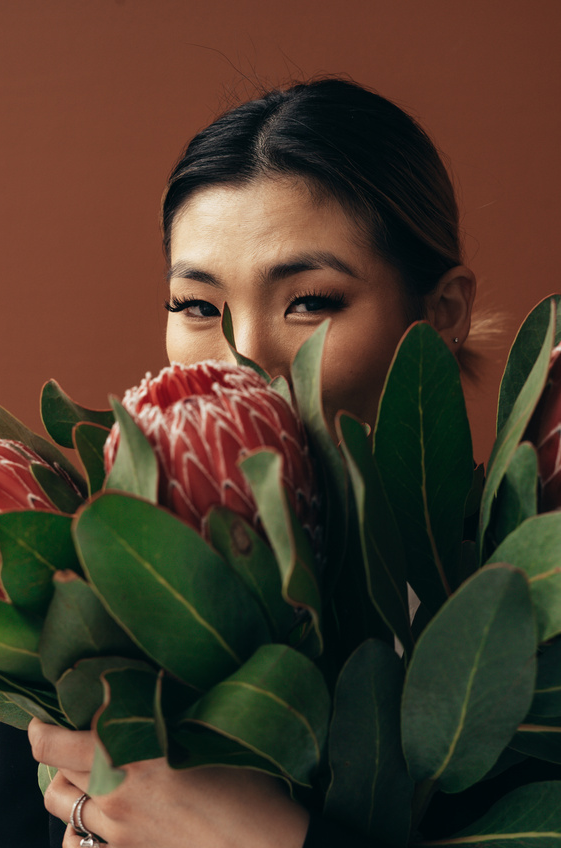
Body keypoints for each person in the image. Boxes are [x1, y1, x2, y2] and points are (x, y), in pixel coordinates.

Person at [24, 77, 478, 847]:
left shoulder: (523, 622)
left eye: (309, 301)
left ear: (439, 317)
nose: (244, 359)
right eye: (197, 307)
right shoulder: (64, 626)